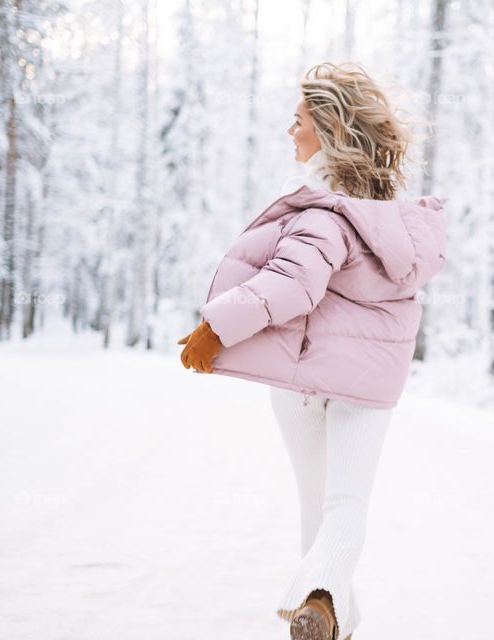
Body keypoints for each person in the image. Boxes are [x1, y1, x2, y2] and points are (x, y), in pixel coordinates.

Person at [177, 61, 448, 640]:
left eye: (298, 119)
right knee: (345, 505)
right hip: (372, 385)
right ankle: (331, 619)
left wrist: (215, 329)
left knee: (316, 505)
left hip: (303, 382)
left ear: (327, 129)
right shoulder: (397, 220)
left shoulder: (323, 211)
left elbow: (290, 284)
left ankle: (319, 602)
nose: (289, 129)